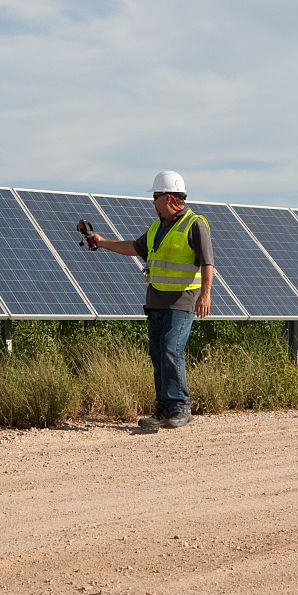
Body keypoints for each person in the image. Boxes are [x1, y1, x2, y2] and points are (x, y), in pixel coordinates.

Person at [86, 171, 213, 431]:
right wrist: (102, 242)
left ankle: (180, 407)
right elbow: (134, 248)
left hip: (182, 300)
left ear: (167, 198)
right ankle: (164, 409)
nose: (152, 203)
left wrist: (206, 294)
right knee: (158, 353)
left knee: (170, 349)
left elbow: (208, 262)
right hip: (156, 300)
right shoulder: (157, 226)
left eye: (154, 197)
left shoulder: (194, 224)